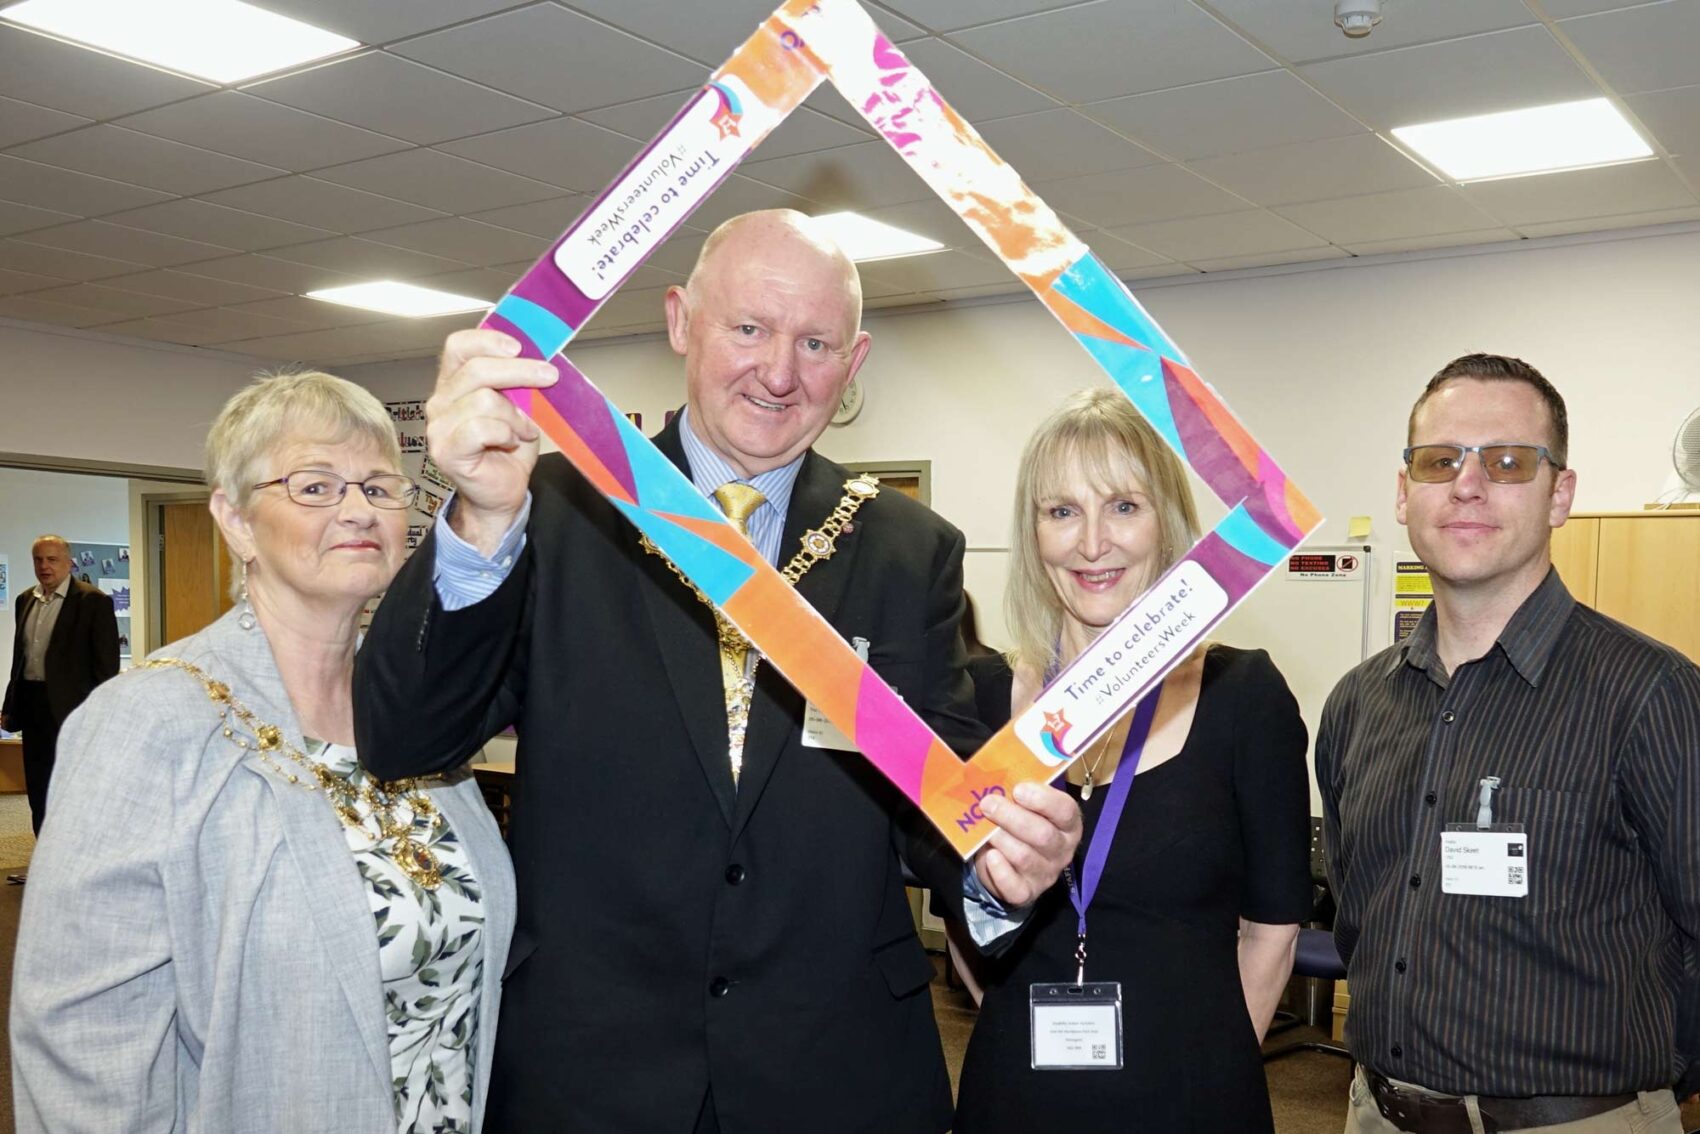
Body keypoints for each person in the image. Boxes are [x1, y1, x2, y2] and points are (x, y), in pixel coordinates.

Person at [355, 209, 1082, 1133]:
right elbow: (406, 735)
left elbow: (930, 801)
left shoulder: (906, 550)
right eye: (749, 328)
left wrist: (997, 863)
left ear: (853, 363)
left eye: (815, 343)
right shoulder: (557, 509)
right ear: (679, 324)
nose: (780, 373)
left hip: (837, 1075)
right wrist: (479, 525)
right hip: (594, 1071)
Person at [10, 372, 516, 1132]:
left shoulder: (417, 711)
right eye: (315, 487)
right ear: (236, 520)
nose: (357, 509)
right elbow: (83, 1044)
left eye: (379, 487)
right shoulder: (146, 721)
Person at [1318, 353, 1700, 1134]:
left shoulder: (1651, 694)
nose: (1468, 484)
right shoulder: (1357, 702)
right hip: (1376, 1114)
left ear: (1560, 494)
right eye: (1439, 460)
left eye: (1507, 461)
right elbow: (1356, 907)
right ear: (1404, 492)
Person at [954, 387, 1312, 1133]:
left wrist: (1194, 1074)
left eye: (1123, 505)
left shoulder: (1241, 696)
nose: (1092, 543)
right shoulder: (982, 702)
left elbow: (1271, 931)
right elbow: (961, 916)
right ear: (1033, 534)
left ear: (1169, 522)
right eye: (1061, 512)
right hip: (1015, 1099)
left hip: (1191, 1099)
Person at [1, 534, 119, 851]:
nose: (44, 566)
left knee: (71, 785)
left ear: (69, 562)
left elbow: (106, 668)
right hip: (33, 706)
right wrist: (9, 705)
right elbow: (20, 659)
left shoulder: (92, 601)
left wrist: (99, 715)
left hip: (73, 711)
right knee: (38, 786)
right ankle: (44, 857)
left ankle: (75, 857)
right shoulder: (25, 599)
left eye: (52, 559)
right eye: (39, 559)